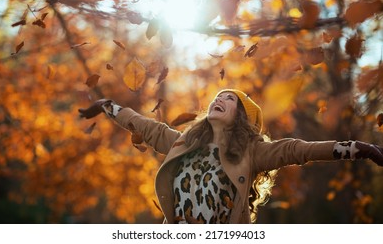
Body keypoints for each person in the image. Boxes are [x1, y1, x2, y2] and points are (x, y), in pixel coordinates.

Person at [78, 89, 383, 224]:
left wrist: (358, 149)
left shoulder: (254, 153)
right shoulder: (182, 143)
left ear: (243, 117)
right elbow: (144, 125)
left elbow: (298, 149)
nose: (219, 99)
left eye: (229, 99)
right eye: (217, 96)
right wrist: (108, 106)